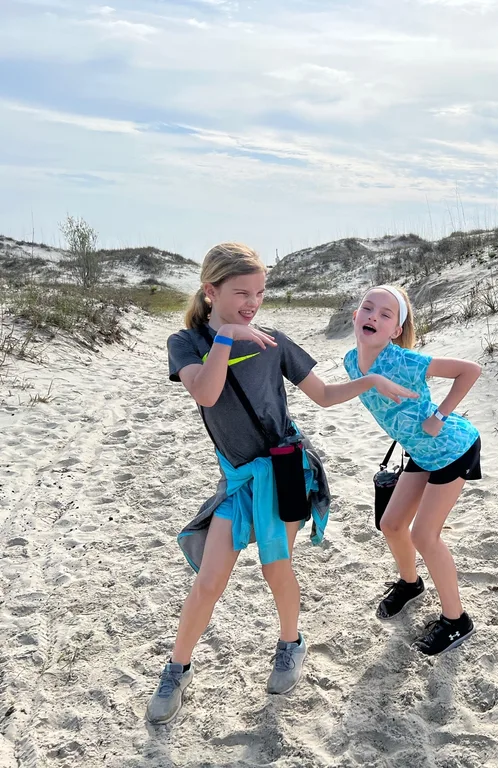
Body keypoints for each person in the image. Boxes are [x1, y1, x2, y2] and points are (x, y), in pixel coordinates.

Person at [148, 243, 415, 724]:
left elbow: (326, 395)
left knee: (276, 567)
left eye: (260, 293)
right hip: (238, 482)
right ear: (211, 291)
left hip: (288, 469)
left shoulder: (275, 340)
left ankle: (291, 643)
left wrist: (371, 382)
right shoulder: (186, 343)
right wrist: (227, 336)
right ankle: (176, 669)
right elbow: (206, 393)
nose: (253, 303)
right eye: (242, 293)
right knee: (208, 581)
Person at [343, 285, 483, 655]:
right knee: (390, 524)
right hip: (420, 452)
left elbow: (470, 370)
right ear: (355, 316)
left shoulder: (405, 360)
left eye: (385, 314)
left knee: (425, 535)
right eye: (367, 308)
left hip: (453, 449)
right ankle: (410, 583)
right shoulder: (350, 361)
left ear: (395, 330)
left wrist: (439, 415)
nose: (373, 316)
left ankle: (457, 621)